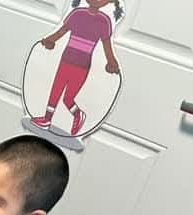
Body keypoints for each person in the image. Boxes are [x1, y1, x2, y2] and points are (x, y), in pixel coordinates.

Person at [31, 0, 124, 136]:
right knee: (56, 88)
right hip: (66, 59)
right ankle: (47, 119)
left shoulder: (104, 21)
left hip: (82, 65)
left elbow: (107, 45)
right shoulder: (77, 14)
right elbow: (62, 31)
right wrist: (49, 40)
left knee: (68, 98)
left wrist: (111, 62)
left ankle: (78, 115)